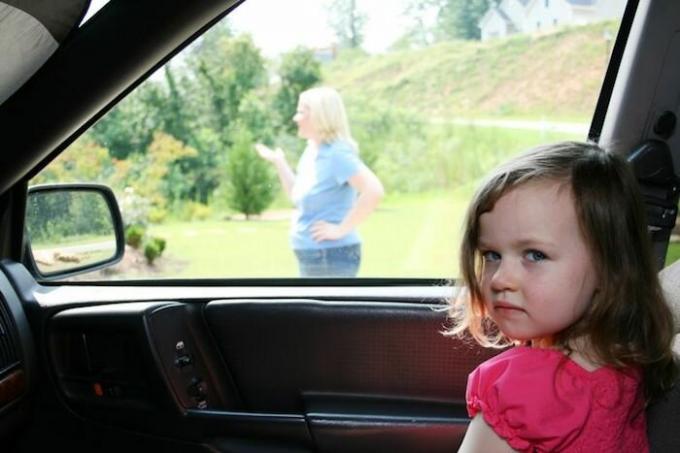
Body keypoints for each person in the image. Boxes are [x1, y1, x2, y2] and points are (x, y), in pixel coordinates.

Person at [448, 142, 677, 452]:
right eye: (491, 255)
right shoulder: (626, 363)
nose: (501, 278)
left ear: (608, 267)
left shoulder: (520, 392)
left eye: (535, 255)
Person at [255, 86, 384, 277]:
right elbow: (296, 195)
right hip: (314, 256)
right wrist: (279, 161)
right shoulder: (312, 150)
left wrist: (340, 230)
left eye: (301, 112)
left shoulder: (336, 154)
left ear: (319, 115)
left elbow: (374, 191)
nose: (295, 118)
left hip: (330, 257)